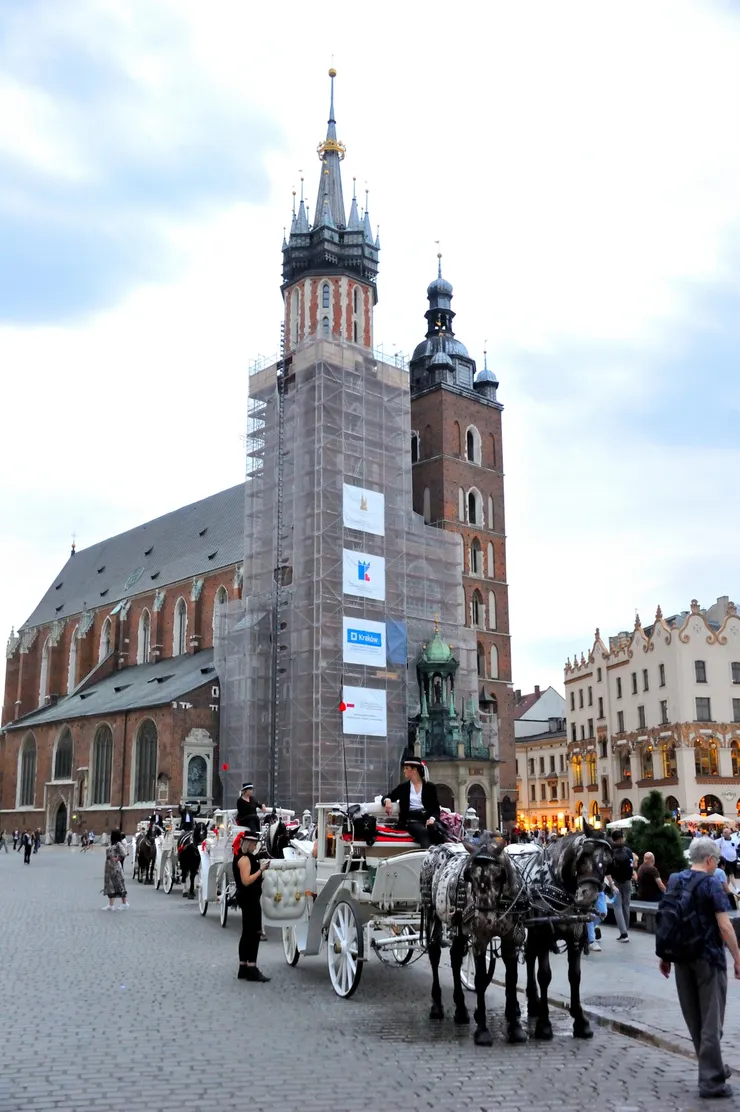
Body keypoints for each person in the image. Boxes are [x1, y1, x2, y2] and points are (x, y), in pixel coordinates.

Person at [658, 836, 740, 1099]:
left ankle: (712, 1066)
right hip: (708, 958)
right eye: (716, 860)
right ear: (709, 859)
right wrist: (738, 958)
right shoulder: (711, 883)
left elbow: (670, 919)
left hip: (681, 957)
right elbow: (725, 927)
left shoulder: (675, 880)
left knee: (694, 1018)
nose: (717, 864)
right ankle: (712, 1082)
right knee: (711, 1020)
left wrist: (665, 955)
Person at [382, 758, 445, 849]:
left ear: (414, 770)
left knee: (436, 831)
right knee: (423, 831)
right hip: (410, 820)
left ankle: (441, 857)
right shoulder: (403, 788)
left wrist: (432, 819)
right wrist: (387, 800)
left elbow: (435, 808)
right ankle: (427, 857)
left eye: (406, 768)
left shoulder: (430, 787)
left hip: (426, 819)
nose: (404, 771)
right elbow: (389, 796)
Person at [233, 829, 270, 982]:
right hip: (250, 898)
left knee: (246, 932)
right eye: (254, 843)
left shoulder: (244, 857)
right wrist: (261, 870)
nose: (255, 846)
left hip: (247, 898)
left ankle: (243, 967)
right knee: (254, 933)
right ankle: (252, 968)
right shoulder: (245, 860)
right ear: (248, 843)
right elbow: (246, 881)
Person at [607, 829, 637, 942]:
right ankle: (626, 930)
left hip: (616, 881)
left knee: (617, 906)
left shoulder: (611, 852)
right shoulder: (628, 851)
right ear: (622, 838)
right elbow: (632, 864)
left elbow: (607, 869)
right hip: (627, 881)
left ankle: (623, 933)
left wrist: (611, 883)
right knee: (626, 906)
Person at [102, 829, 129, 910]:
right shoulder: (113, 844)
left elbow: (124, 853)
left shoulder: (118, 844)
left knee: (119, 884)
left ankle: (124, 903)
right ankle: (111, 905)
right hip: (108, 867)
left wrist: (117, 859)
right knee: (110, 885)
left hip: (115, 867)